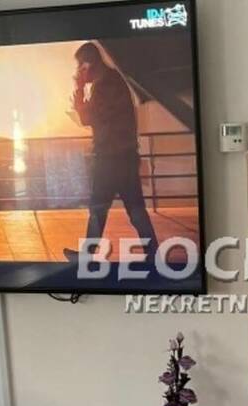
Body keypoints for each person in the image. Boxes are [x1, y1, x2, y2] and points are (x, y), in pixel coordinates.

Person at [64, 43, 158, 264]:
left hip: (110, 159)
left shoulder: (105, 85)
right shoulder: (112, 81)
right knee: (134, 208)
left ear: (89, 64)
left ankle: (88, 257)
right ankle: (153, 254)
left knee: (99, 208)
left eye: (80, 65)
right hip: (124, 156)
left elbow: (88, 118)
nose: (78, 71)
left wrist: (79, 91)